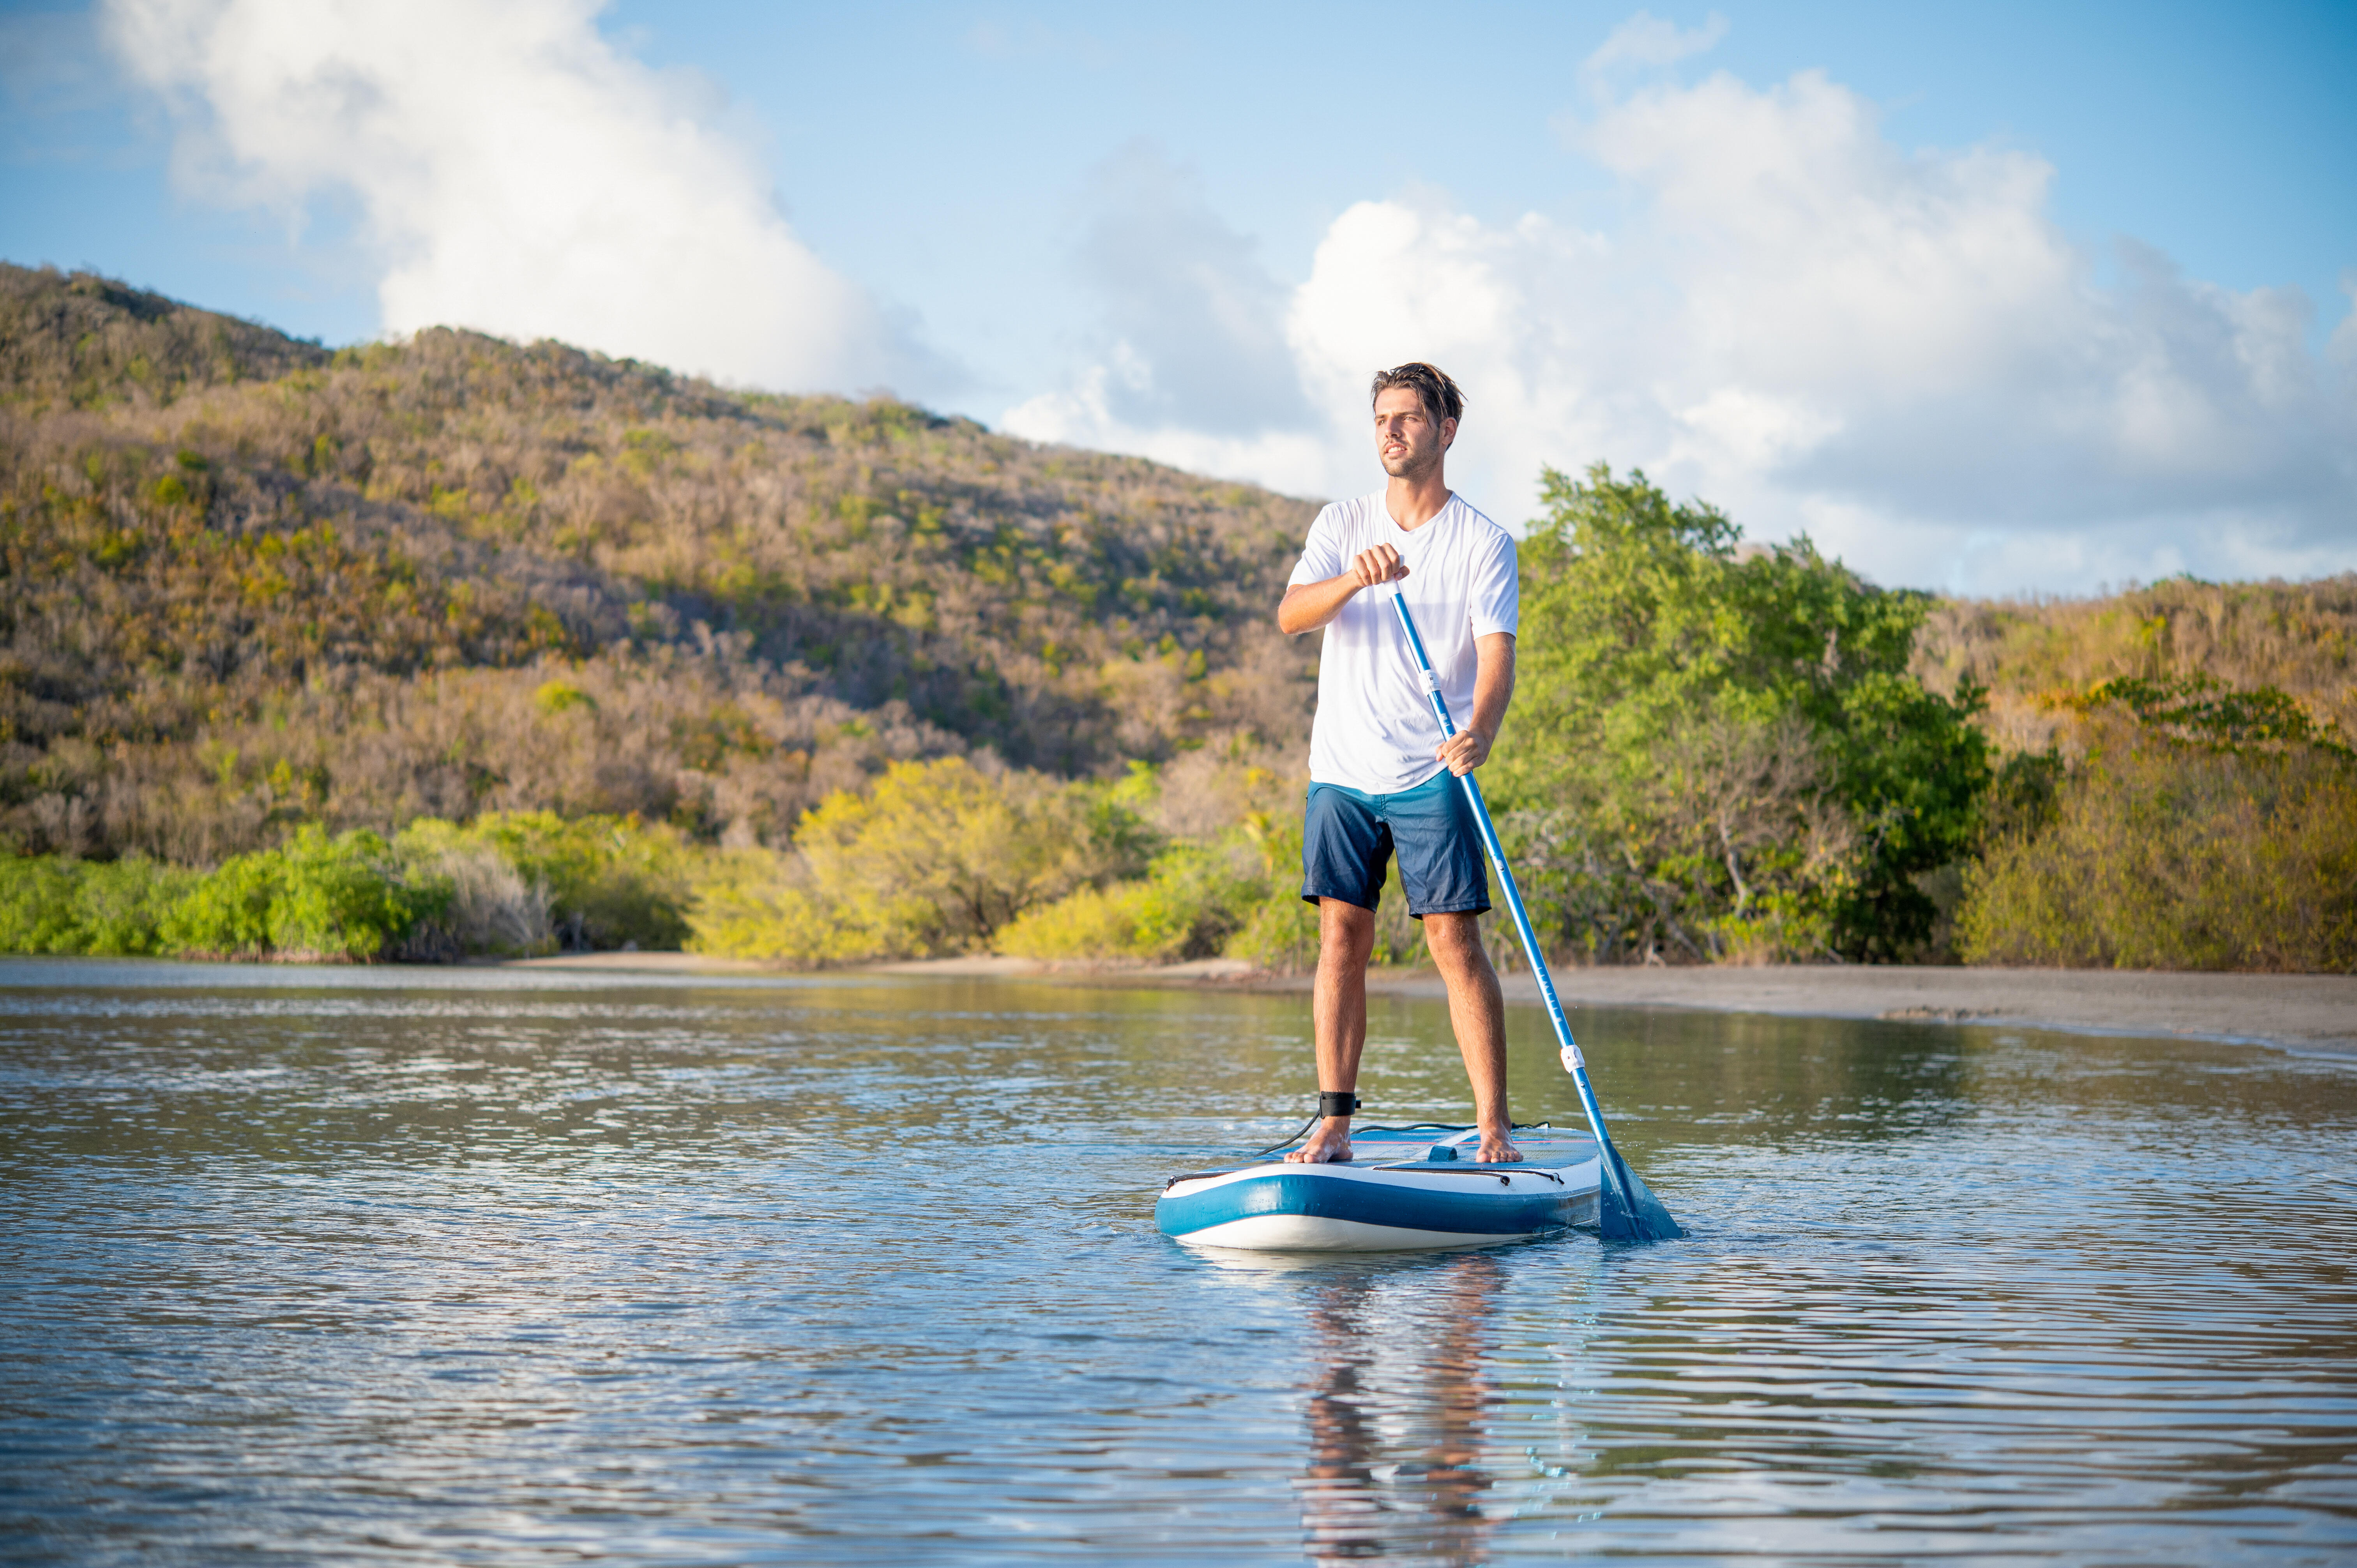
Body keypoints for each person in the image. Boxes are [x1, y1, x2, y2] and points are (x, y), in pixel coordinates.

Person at [1276, 362, 1520, 1165]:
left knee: (1455, 941)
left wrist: (1479, 730)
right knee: (1341, 937)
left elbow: (1495, 657)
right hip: (1342, 768)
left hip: (1429, 770)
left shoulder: (1484, 542)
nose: (1392, 430)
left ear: (1445, 431)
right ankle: (1336, 1123)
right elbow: (1290, 617)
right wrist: (1354, 576)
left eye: (1409, 417)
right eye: (1383, 416)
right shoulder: (1342, 522)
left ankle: (1492, 1128)